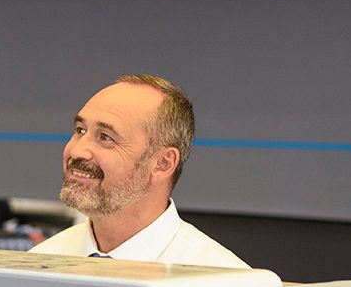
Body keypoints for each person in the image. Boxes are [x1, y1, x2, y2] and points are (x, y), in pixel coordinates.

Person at [27, 74, 249, 268]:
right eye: (80, 130)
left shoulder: (225, 285)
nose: (77, 150)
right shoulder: (38, 264)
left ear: (162, 163)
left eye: (105, 137)